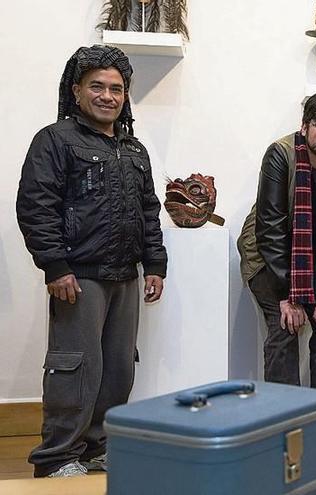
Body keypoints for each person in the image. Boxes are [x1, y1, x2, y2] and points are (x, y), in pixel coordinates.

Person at [16, 45, 167, 478]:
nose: (108, 96)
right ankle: (58, 457)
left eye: (116, 88)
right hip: (78, 278)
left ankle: (97, 448)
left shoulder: (134, 148)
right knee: (74, 370)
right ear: (77, 91)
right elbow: (36, 206)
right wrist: (55, 267)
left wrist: (154, 264)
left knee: (117, 369)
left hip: (124, 276)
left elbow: (148, 209)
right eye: (97, 86)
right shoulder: (55, 140)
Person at [237, 92, 316, 461]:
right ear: (305, 126)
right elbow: (270, 227)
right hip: (269, 257)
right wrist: (287, 294)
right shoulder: (280, 154)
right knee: (284, 331)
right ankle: (285, 432)